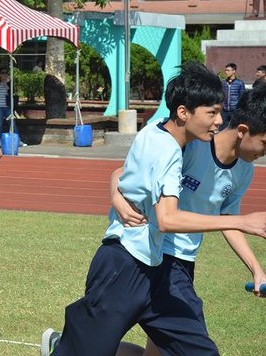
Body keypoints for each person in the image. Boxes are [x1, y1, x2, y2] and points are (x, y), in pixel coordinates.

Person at [40, 61, 266, 356]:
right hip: (127, 262)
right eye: (212, 112)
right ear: (184, 112)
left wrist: (254, 265)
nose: (218, 120)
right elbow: (163, 213)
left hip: (165, 264)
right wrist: (243, 222)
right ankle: (65, 346)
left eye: (220, 112)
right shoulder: (177, 147)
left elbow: (221, 214)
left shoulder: (172, 137)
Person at [112, 87, 266, 356]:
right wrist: (116, 196)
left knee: (159, 352)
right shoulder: (192, 145)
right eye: (265, 143)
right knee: (194, 348)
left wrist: (256, 269)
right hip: (155, 253)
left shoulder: (245, 170)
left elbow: (228, 218)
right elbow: (125, 172)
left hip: (184, 261)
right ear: (243, 129)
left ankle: (67, 347)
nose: (264, 152)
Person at [0, 67, 26, 147]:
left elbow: (11, 92)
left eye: (6, 72)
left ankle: (18, 140)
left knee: (12, 123)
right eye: (3, 73)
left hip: (8, 106)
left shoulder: (10, 83)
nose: (5, 74)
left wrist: (6, 84)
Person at [221, 63, 246, 131]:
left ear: (234, 71)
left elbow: (242, 97)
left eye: (228, 70)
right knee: (222, 130)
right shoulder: (223, 83)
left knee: (235, 129)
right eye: (226, 70)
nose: (226, 72)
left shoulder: (240, 83)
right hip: (224, 110)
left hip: (234, 110)